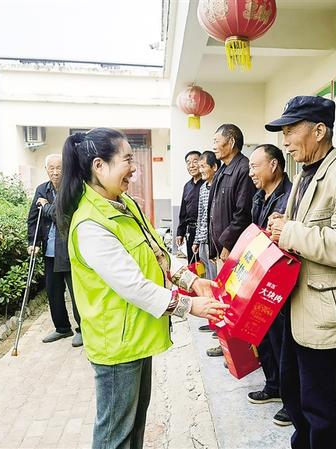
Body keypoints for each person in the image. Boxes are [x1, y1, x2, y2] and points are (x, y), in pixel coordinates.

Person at [56, 128, 228, 449]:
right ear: (99, 166)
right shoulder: (91, 223)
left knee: (134, 426)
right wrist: (190, 306)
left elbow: (157, 251)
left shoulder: (124, 205)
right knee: (114, 436)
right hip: (116, 344)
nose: (133, 168)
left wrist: (192, 281)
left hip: (136, 337)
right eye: (127, 160)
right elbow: (132, 286)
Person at [265, 96, 336, 449]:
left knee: (325, 410)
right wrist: (284, 225)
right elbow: (308, 229)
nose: (285, 141)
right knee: (296, 395)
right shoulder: (306, 175)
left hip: (329, 316)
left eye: (291, 130)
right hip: (299, 308)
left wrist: (290, 232)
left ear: (319, 131)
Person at [247, 144, 292, 427]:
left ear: (274, 165)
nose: (251, 172)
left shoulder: (290, 197)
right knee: (264, 334)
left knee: (283, 340)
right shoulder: (258, 197)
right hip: (261, 273)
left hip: (280, 278)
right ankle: (273, 384)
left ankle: (290, 398)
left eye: (255, 166)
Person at [205, 124, 256, 357]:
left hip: (233, 249)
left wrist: (227, 244)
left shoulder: (243, 169)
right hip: (222, 248)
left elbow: (242, 213)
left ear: (232, 142)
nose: (214, 145)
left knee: (236, 300)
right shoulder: (223, 169)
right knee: (224, 297)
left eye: (217, 140)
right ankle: (227, 344)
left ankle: (239, 351)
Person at [27, 154, 82, 347]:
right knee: (53, 291)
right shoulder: (42, 189)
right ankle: (62, 328)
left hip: (68, 250)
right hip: (49, 251)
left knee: (76, 293)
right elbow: (33, 218)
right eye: (51, 168)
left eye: (59, 167)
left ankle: (83, 330)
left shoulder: (72, 189)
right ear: (46, 170)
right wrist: (32, 242)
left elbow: (63, 217)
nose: (55, 172)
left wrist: (46, 206)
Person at [192, 151, 219, 280]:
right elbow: (201, 215)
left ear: (214, 167)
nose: (200, 170)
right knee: (206, 276)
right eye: (200, 167)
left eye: (203, 166)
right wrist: (196, 240)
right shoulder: (203, 187)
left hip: (214, 241)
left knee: (216, 276)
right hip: (203, 241)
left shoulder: (220, 186)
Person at [176, 150, 203, 262]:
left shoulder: (207, 184)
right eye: (188, 162)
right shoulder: (187, 186)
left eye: (195, 162)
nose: (191, 165)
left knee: (203, 263)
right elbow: (183, 211)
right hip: (190, 231)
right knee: (192, 263)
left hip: (203, 231)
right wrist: (180, 232)